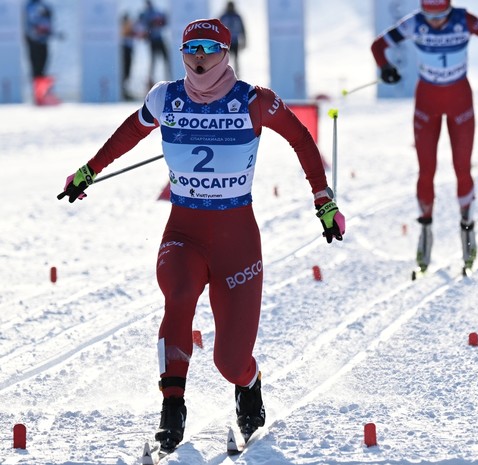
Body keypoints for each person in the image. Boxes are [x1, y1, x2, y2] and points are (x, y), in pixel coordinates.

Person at [56, 18, 345, 453]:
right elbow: (128, 135)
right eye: (191, 48)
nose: (199, 57)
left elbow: (302, 139)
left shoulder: (253, 101)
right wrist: (87, 171)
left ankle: (249, 384)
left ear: (226, 53)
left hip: (237, 240)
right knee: (178, 292)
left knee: (229, 361)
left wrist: (324, 201)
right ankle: (172, 407)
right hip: (184, 232)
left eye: (210, 48)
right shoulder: (165, 97)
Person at [370, 0, 478, 275]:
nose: (434, 22)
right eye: (429, 16)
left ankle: (467, 231)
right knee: (426, 170)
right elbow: (378, 47)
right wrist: (384, 67)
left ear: (450, 9)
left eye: (441, 15)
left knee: (461, 167)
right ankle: (425, 232)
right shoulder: (414, 22)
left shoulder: (464, 20)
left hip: (460, 100)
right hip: (427, 102)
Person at [24, 0, 59, 105]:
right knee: (36, 69)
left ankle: (43, 95)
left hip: (43, 41)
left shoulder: (45, 6)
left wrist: (52, 33)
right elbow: (30, 23)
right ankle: (38, 96)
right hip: (34, 41)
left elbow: (49, 22)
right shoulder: (30, 6)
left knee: (43, 68)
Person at [139, 0, 171, 85]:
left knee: (166, 59)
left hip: (159, 39)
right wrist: (153, 22)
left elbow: (164, 22)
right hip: (152, 40)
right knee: (153, 61)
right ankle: (150, 81)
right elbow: (144, 25)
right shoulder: (145, 14)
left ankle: (169, 78)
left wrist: (160, 21)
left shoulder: (157, 12)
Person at [219, 1, 246, 75]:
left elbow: (243, 29)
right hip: (225, 43)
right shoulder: (223, 16)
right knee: (225, 60)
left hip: (234, 41)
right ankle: (224, 74)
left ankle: (237, 74)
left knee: (236, 59)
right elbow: (218, 29)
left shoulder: (237, 16)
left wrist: (244, 40)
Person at [121, 13, 137, 101]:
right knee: (125, 71)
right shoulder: (124, 27)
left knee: (128, 71)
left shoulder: (127, 27)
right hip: (125, 50)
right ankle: (123, 90)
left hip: (128, 49)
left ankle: (125, 90)